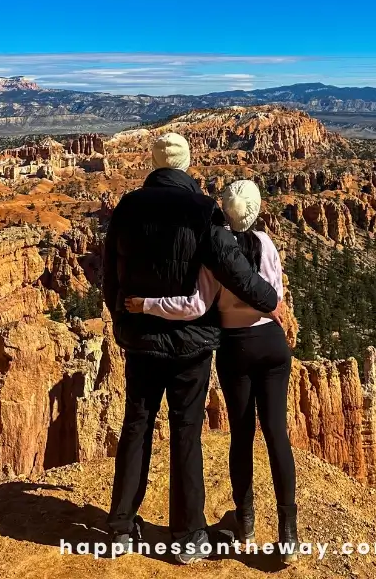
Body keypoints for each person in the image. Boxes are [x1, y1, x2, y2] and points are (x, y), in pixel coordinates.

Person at [103, 134, 283, 564]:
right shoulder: (203, 210)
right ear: (187, 164)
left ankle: (120, 528)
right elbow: (235, 269)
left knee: (137, 426)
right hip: (192, 345)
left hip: (142, 341)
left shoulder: (127, 207)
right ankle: (188, 536)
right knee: (186, 431)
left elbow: (111, 273)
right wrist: (270, 301)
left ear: (153, 164)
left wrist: (124, 319)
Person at [133, 178, 298, 565]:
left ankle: (246, 522)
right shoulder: (267, 243)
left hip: (235, 349)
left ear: (224, 210)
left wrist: (145, 305)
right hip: (272, 346)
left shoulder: (214, 252)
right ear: (256, 211)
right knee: (276, 434)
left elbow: (194, 305)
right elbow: (276, 295)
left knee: (241, 435)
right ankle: (288, 535)